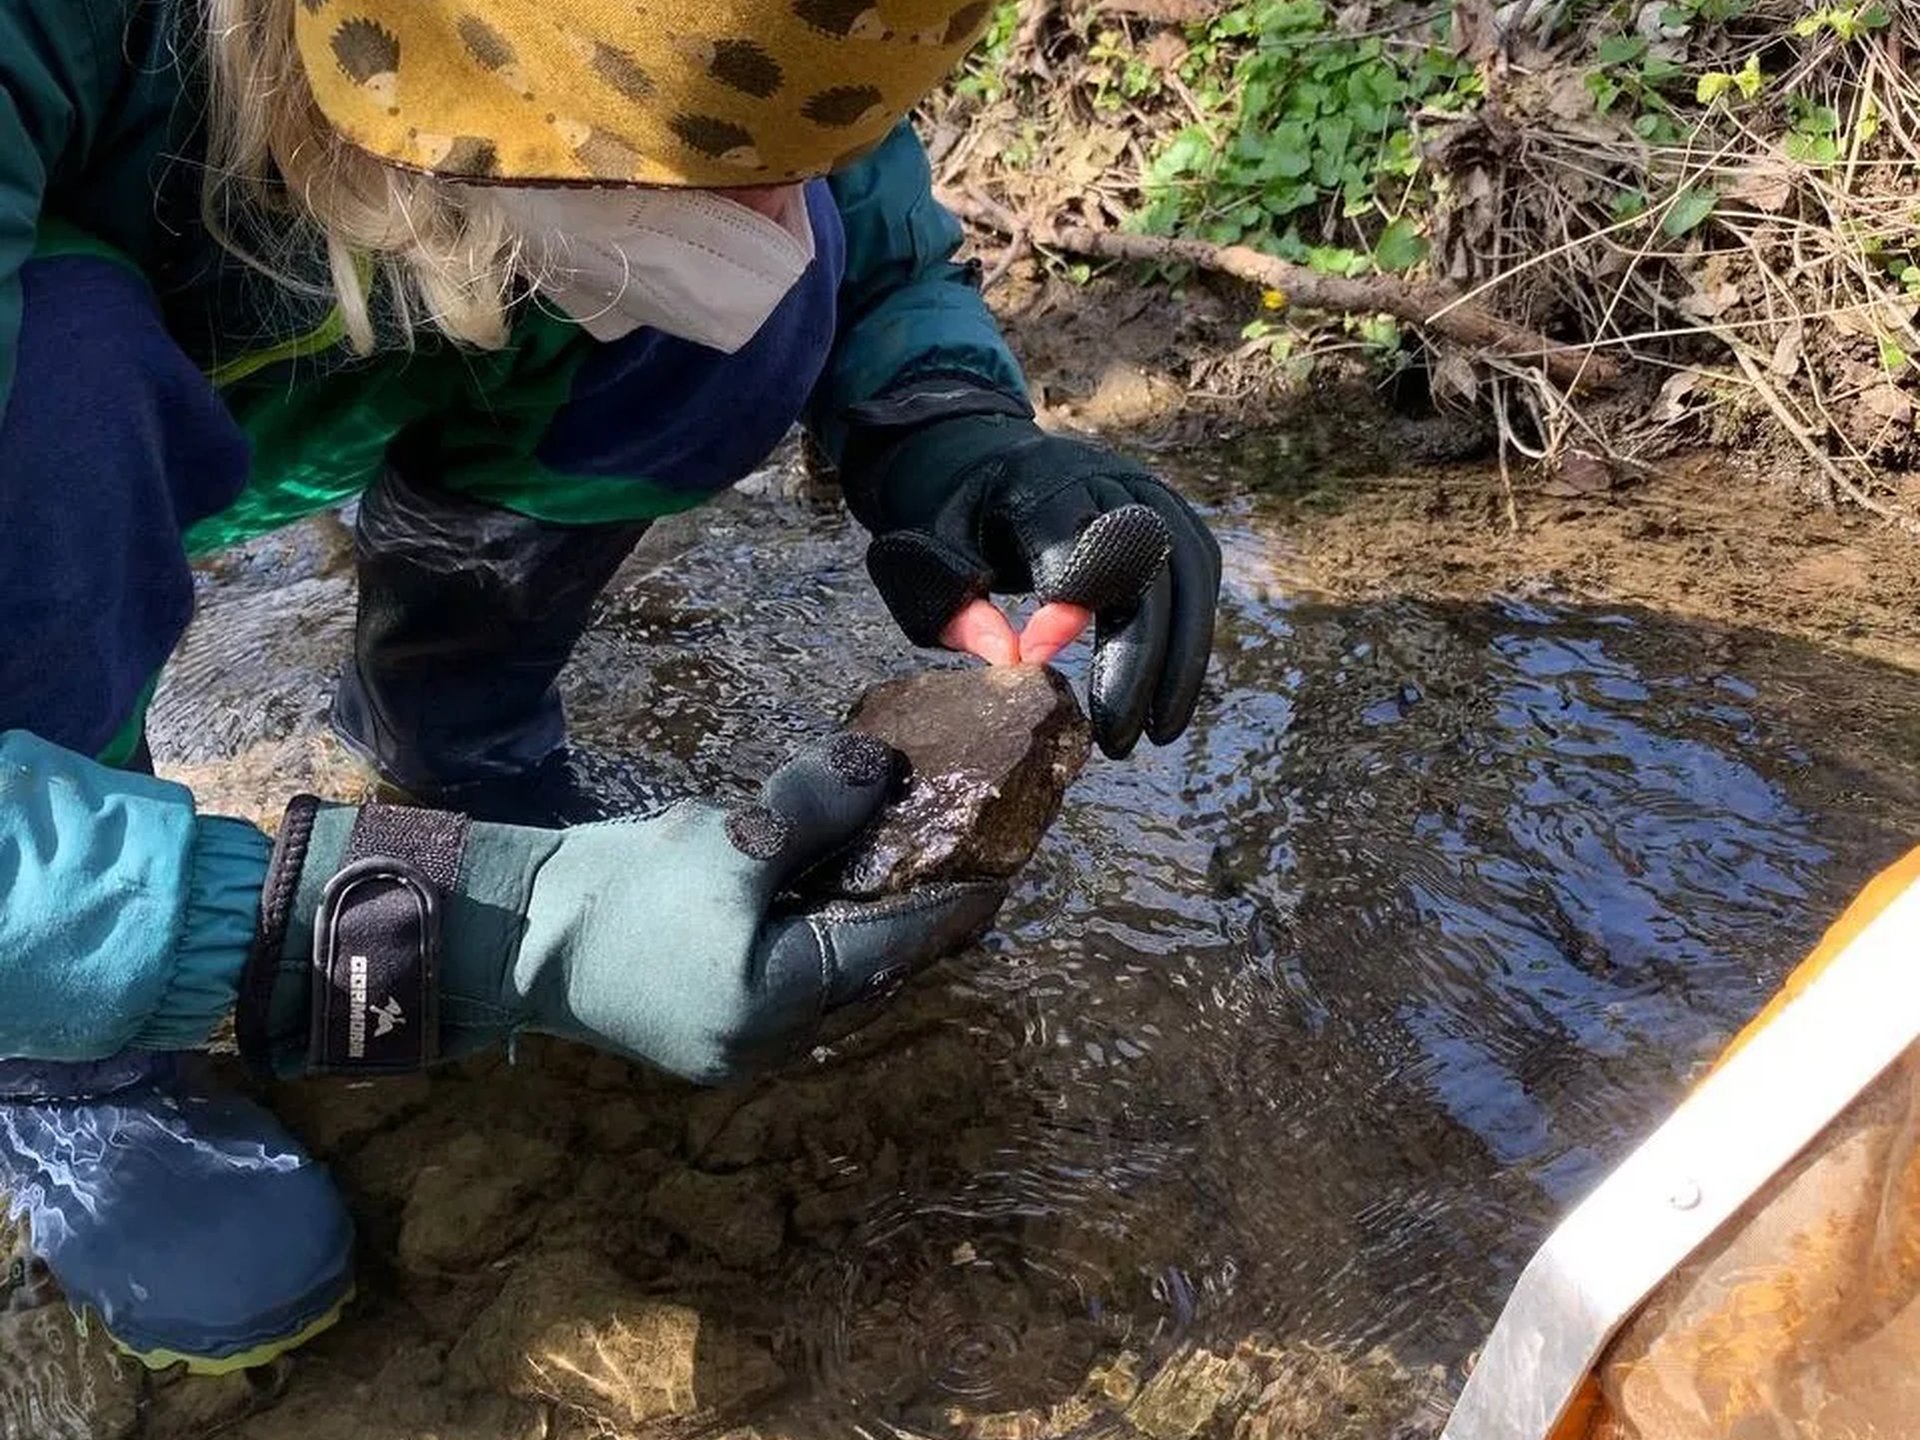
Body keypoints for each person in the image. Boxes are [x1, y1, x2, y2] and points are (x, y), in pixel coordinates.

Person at [0, 0, 1221, 1376]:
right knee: (63, 374)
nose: (774, 216)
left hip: (400, 267)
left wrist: (945, 423)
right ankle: (66, 1062)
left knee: (760, 307)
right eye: (698, 164)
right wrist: (482, 935)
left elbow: (827, 159)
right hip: (68, 411)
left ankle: (453, 740)